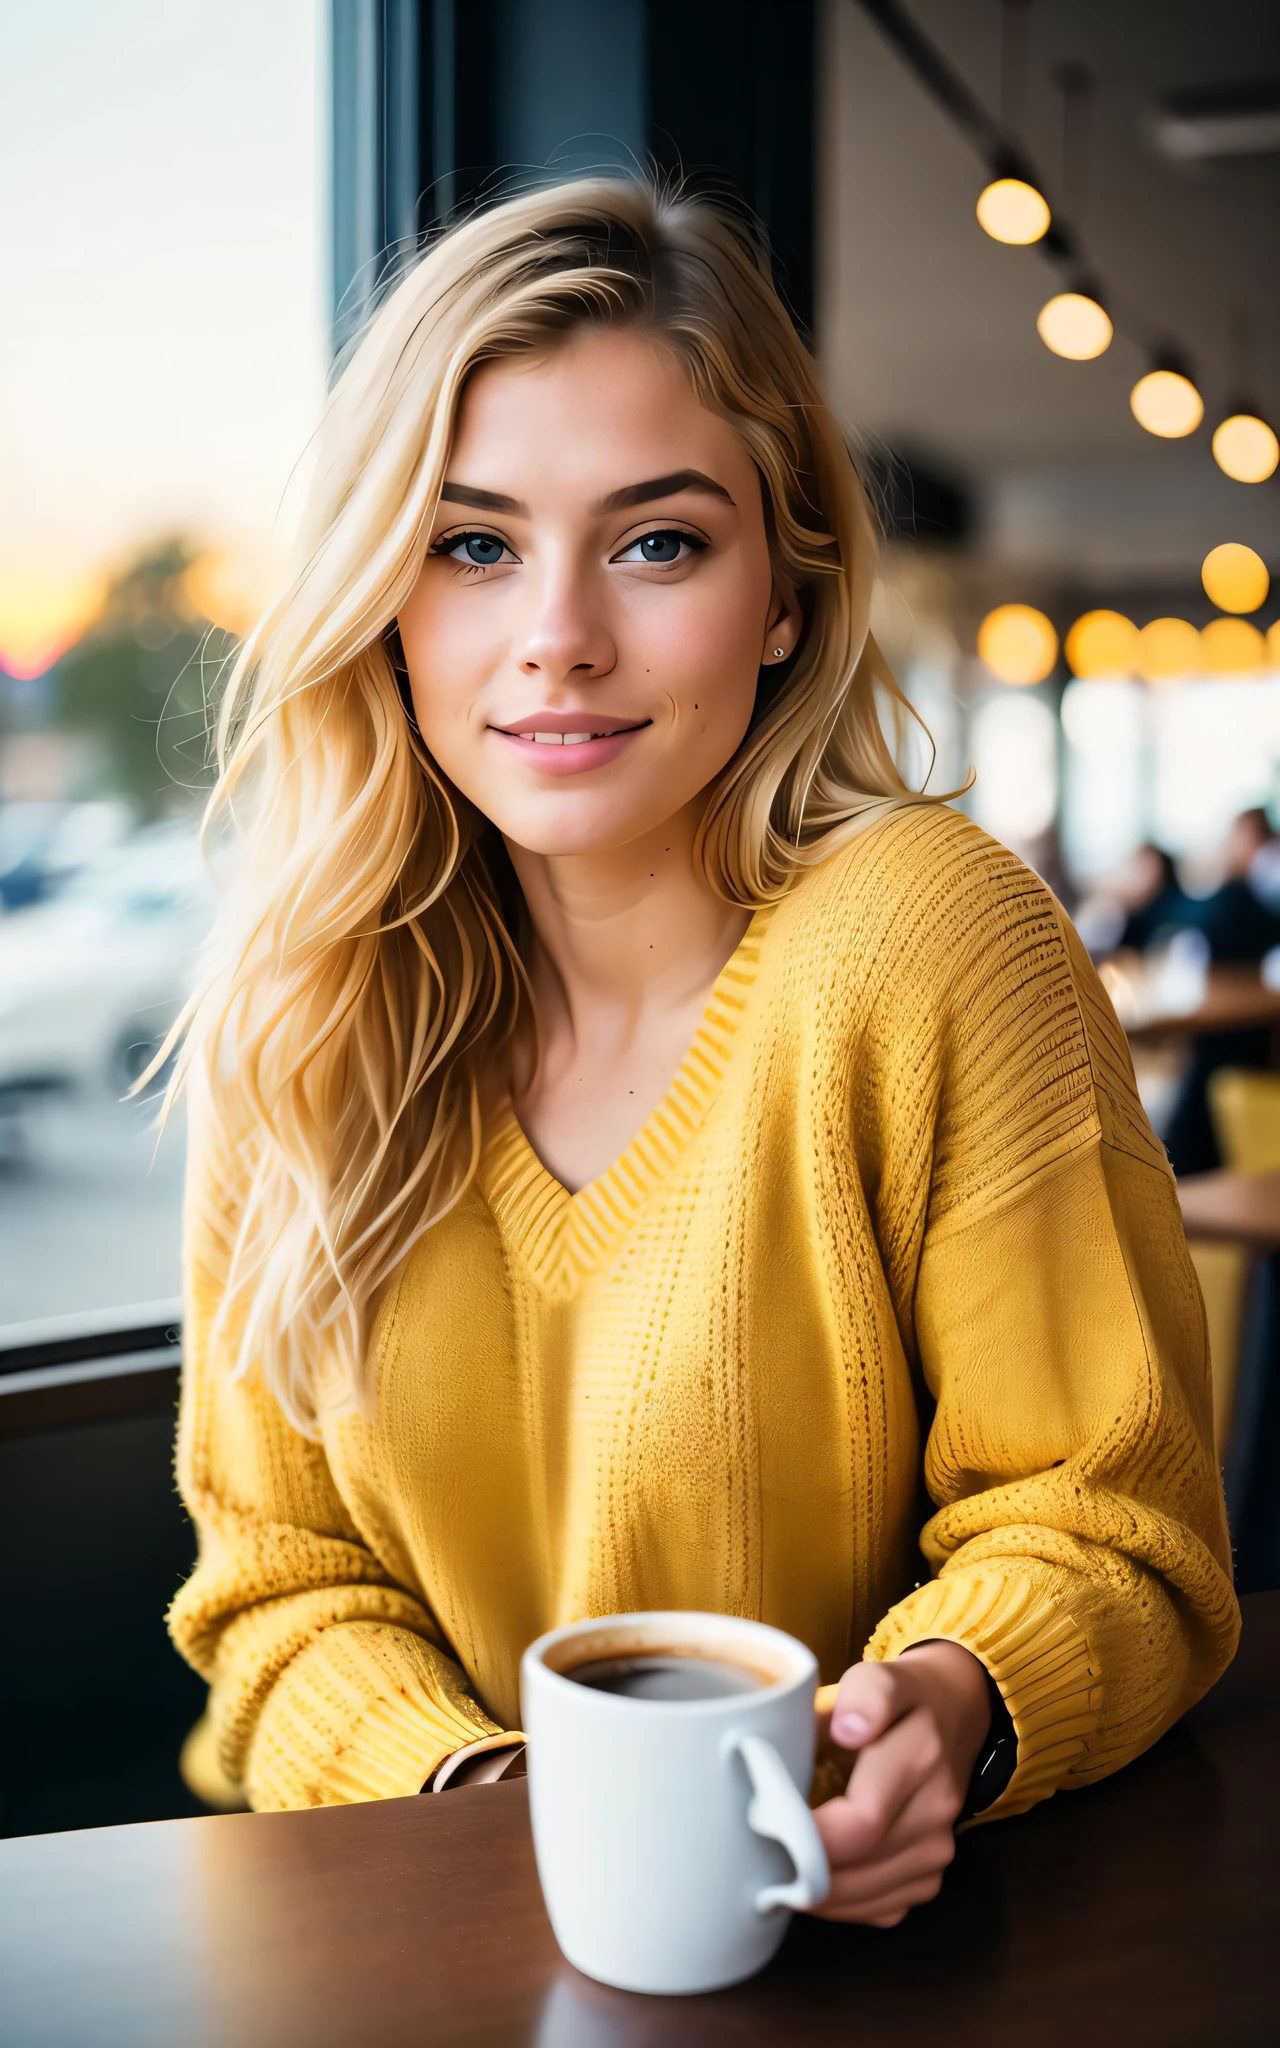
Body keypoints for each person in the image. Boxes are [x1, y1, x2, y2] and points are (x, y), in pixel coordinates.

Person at [166, 180, 1236, 1929]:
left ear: (790, 595)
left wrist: (952, 1709)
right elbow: (277, 1588)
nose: (559, 635)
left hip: (890, 1945)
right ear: (384, 594)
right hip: (416, 1933)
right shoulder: (305, 1016)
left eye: (657, 541)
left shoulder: (930, 937)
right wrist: (500, 1799)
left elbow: (1109, 1515)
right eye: (471, 542)